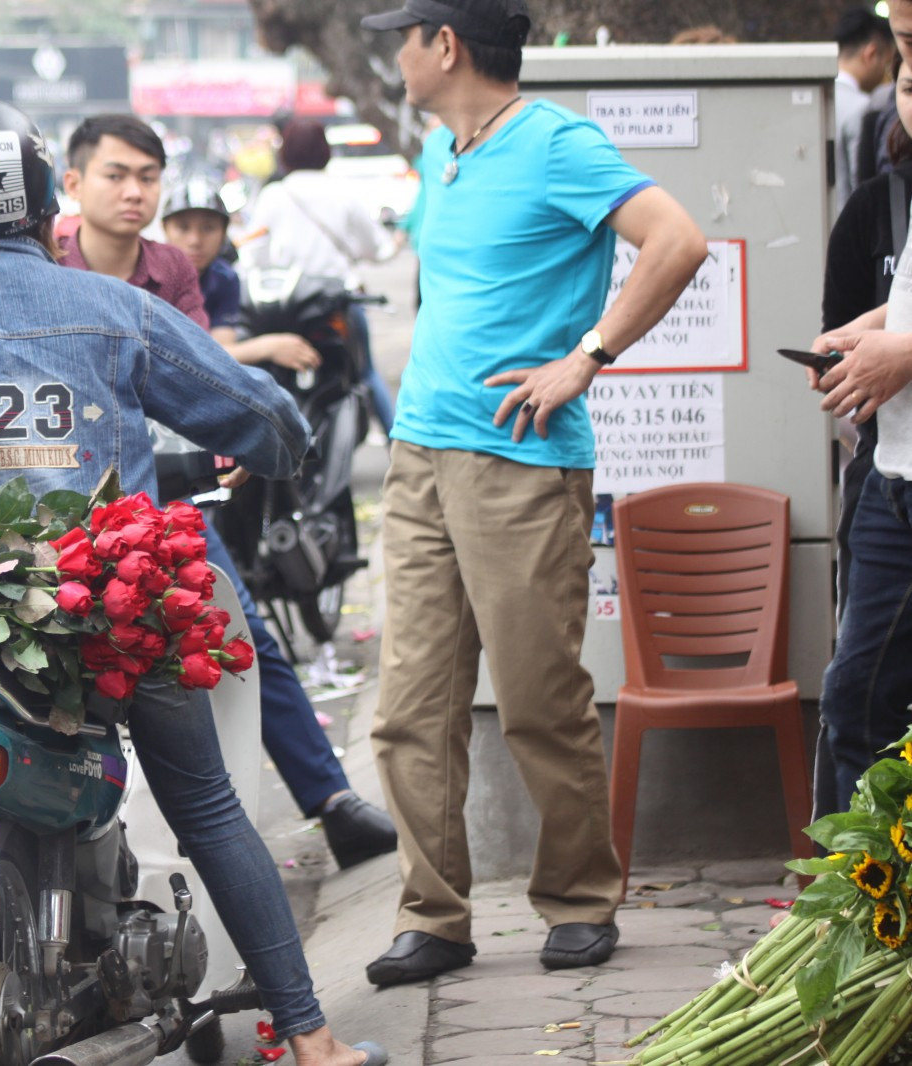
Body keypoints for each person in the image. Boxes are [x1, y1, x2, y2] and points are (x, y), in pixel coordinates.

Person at [0, 97, 387, 1066]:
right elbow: (257, 411)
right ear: (51, 209)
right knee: (206, 807)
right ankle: (313, 1040)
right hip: (111, 608)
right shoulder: (117, 304)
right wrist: (272, 449)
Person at [358, 0, 707, 987]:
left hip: (520, 457)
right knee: (409, 707)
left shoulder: (556, 143)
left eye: (402, 37)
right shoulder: (442, 154)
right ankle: (434, 916)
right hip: (420, 454)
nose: (395, 56)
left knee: (537, 698)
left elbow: (677, 240)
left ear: (446, 46)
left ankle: (579, 897)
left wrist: (585, 358)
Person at [62, 112, 399, 868]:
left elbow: (197, 374)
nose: (133, 192)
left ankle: (331, 799)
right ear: (74, 184)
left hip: (162, 501)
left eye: (146, 177)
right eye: (116, 175)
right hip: (61, 505)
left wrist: (228, 435)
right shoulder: (46, 266)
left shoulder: (170, 271)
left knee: (239, 635)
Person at [809, 14, 912, 818]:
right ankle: (861, 905)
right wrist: (870, 333)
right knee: (854, 699)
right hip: (889, 472)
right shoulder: (884, 201)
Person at [239, 118, 396, 434]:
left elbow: (252, 254)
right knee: (366, 373)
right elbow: (378, 249)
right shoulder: (343, 192)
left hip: (284, 307)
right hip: (337, 303)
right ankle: (399, 446)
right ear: (326, 151)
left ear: (285, 153)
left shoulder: (274, 195)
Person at [160, 176, 322, 371]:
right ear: (165, 230)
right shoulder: (151, 275)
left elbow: (221, 350)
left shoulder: (224, 278)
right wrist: (269, 347)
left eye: (208, 228)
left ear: (224, 233)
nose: (195, 240)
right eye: (183, 228)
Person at [835, 7, 896, 214]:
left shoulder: (820, 98)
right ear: (870, 54)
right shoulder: (861, 108)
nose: (884, 73)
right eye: (886, 64)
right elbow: (860, 184)